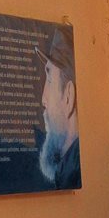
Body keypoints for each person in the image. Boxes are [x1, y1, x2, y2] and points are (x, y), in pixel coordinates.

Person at [35, 25, 80, 188]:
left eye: (49, 79)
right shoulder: (70, 173)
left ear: (68, 96)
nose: (43, 100)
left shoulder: (71, 176)